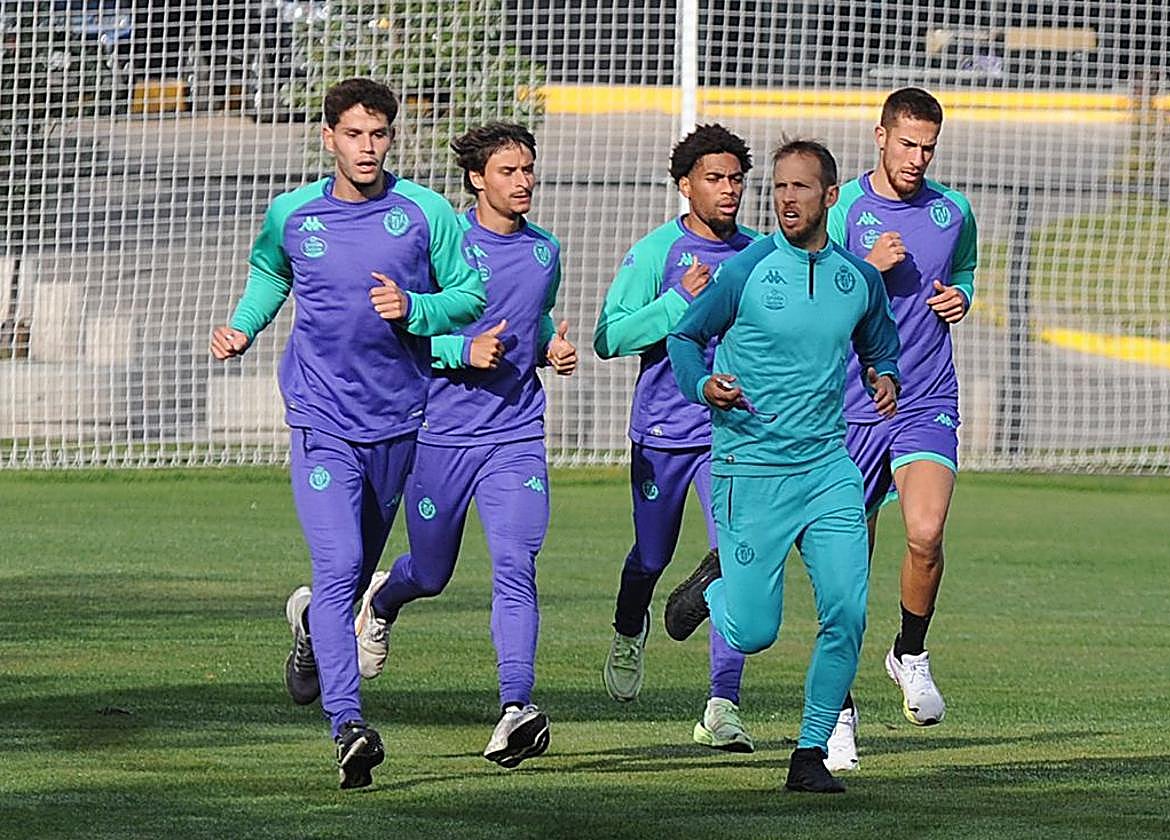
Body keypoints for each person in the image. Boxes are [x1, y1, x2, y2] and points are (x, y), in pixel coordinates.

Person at [209, 78, 485, 789]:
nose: (368, 147)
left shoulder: (424, 212)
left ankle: (308, 633)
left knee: (356, 572)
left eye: (380, 134)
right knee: (337, 568)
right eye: (355, 134)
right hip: (319, 419)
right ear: (328, 136)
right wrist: (245, 323)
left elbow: (468, 296)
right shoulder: (292, 213)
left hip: (397, 422)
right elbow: (270, 272)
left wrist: (414, 307)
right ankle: (348, 725)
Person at [663, 139, 900, 793]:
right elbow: (685, 335)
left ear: (829, 197)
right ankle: (710, 591)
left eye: (799, 187)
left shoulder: (858, 278)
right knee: (751, 632)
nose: (785, 199)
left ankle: (808, 753)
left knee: (847, 612)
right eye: (777, 187)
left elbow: (879, 339)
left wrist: (886, 374)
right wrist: (702, 385)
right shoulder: (747, 270)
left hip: (827, 467)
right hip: (750, 467)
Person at [351, 122, 577, 769]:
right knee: (431, 573)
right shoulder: (435, 244)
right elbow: (397, 329)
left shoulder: (544, 251)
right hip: (437, 437)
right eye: (508, 171)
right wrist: (460, 350)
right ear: (477, 179)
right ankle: (382, 598)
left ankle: (515, 708)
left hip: (515, 435)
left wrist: (550, 350)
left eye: (528, 169)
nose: (524, 181)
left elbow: (529, 326)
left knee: (515, 563)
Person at [823, 87, 977, 772]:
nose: (916, 158)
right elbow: (806, 292)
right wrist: (864, 270)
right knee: (844, 573)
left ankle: (908, 652)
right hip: (851, 405)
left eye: (927, 147)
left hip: (924, 397)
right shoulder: (843, 211)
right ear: (879, 137)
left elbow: (964, 265)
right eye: (906, 143)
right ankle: (838, 712)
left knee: (925, 533)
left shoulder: (951, 212)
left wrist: (960, 295)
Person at [593, 124, 759, 752]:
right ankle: (630, 627)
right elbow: (610, 337)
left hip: (736, 437)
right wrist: (671, 305)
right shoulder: (657, 251)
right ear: (685, 185)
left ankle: (722, 704)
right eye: (714, 179)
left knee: (738, 566)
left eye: (736, 179)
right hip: (664, 433)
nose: (728, 190)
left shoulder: (759, 254)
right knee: (652, 557)